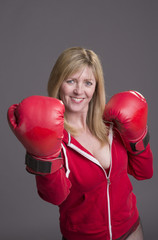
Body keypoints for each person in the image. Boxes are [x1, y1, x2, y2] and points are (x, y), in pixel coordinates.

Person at [7, 47, 153, 240]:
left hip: (131, 230)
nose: (79, 90)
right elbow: (55, 197)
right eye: (71, 81)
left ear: (95, 87)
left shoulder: (113, 125)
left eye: (87, 83)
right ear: (59, 83)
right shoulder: (52, 136)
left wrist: (138, 135)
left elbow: (145, 172)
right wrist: (43, 156)